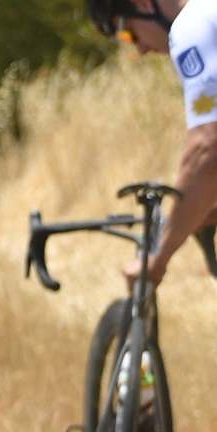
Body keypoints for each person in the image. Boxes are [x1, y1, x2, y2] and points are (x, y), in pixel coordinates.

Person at [89, 0, 217, 287]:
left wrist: (158, 258)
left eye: (127, 32)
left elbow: (207, 148)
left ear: (144, 3)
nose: (140, 48)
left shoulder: (193, 25)